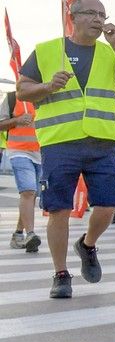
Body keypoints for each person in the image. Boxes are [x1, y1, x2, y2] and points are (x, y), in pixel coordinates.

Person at [16, 0, 115, 298]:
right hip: (60, 143)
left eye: (102, 14)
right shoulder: (47, 51)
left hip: (102, 142)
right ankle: (61, 274)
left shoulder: (109, 53)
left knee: (108, 204)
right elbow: (23, 90)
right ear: (73, 17)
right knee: (58, 210)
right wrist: (47, 86)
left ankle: (87, 245)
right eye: (91, 13)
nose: (99, 19)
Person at [1, 90, 42, 252]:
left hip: (40, 153)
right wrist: (17, 120)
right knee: (28, 191)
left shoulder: (43, 96)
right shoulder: (12, 98)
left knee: (31, 196)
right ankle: (30, 234)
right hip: (18, 151)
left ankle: (18, 234)